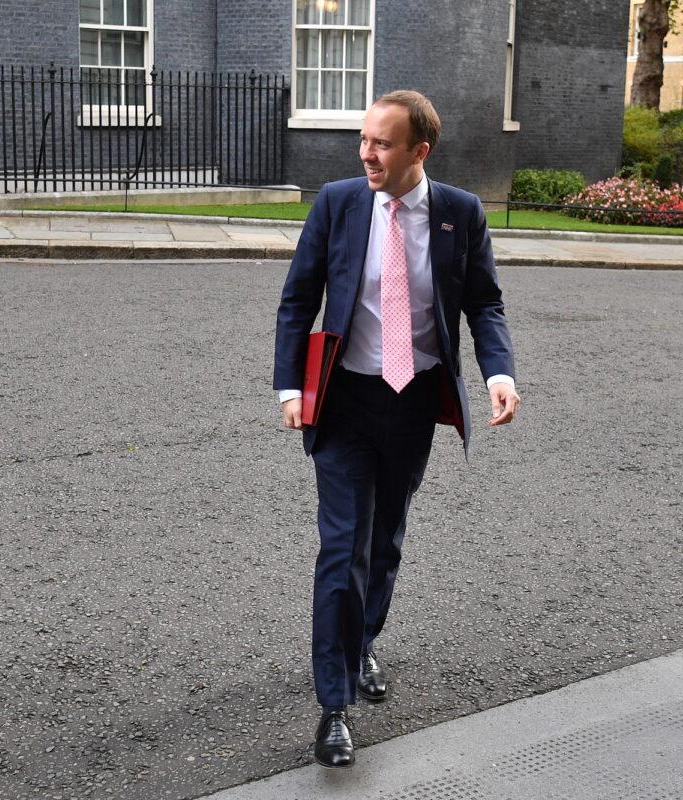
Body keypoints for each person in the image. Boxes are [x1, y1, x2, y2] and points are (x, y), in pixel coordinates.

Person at [272, 90, 520, 769]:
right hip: (346, 399)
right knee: (341, 546)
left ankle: (362, 643)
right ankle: (333, 704)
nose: (366, 153)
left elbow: (484, 303)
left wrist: (499, 372)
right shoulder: (340, 202)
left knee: (385, 542)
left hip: (413, 400)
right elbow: (299, 296)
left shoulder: (460, 214)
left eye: (382, 142)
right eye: (363, 139)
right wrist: (290, 386)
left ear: (420, 151)